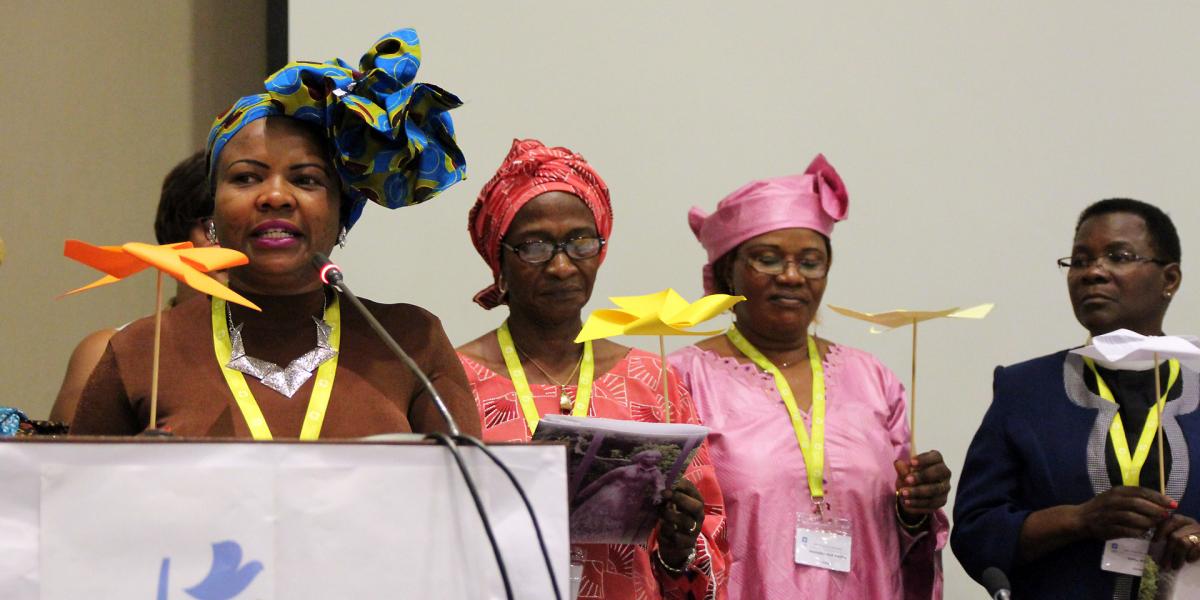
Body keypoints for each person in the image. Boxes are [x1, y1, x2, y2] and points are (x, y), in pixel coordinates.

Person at [71, 28, 479, 439]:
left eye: (305, 180)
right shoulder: (143, 350)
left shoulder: (409, 342)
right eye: (247, 178)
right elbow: (71, 496)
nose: (276, 196)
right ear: (212, 213)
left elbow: (472, 495)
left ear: (343, 214)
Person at [456, 139, 729, 599]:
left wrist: (680, 544)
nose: (562, 266)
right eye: (535, 245)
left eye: (580, 241)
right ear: (498, 260)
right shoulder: (454, 378)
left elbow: (703, 557)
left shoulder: (653, 381)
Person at [670, 154, 951, 599]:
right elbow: (663, 540)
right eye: (768, 259)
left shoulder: (872, 379)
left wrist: (914, 508)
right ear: (728, 271)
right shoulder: (680, 378)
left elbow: (903, 539)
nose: (792, 276)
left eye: (811, 262)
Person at [952, 198, 1200, 598]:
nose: (1093, 273)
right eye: (1080, 261)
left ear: (1169, 278)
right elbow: (974, 532)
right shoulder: (1025, 391)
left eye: (1118, 256)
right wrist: (1078, 519)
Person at [51, 151, 214, 425]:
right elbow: (62, 465)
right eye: (215, 228)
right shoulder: (108, 351)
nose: (233, 247)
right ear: (174, 236)